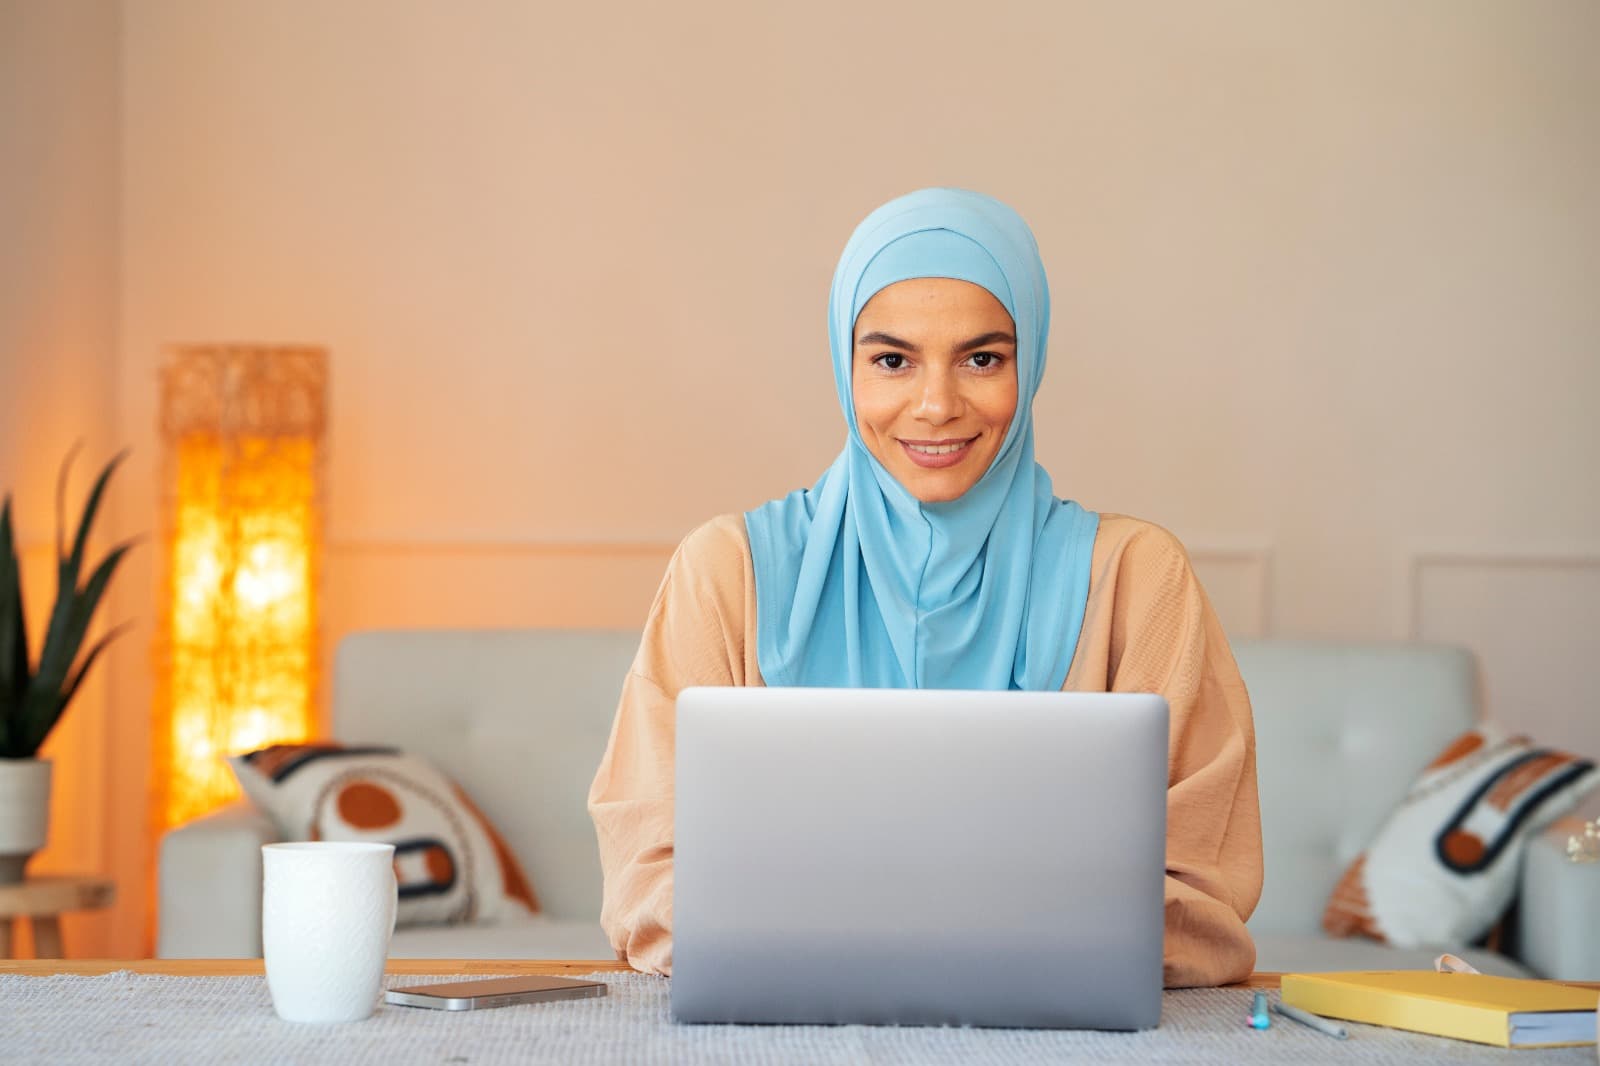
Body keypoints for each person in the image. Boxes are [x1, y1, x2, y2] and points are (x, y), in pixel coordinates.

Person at [587, 188, 1262, 987]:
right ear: (846, 368)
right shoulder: (728, 570)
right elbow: (646, 869)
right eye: (892, 360)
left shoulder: (1137, 578)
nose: (937, 406)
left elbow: (1200, 890)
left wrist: (870, 941)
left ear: (1031, 362)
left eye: (983, 359)